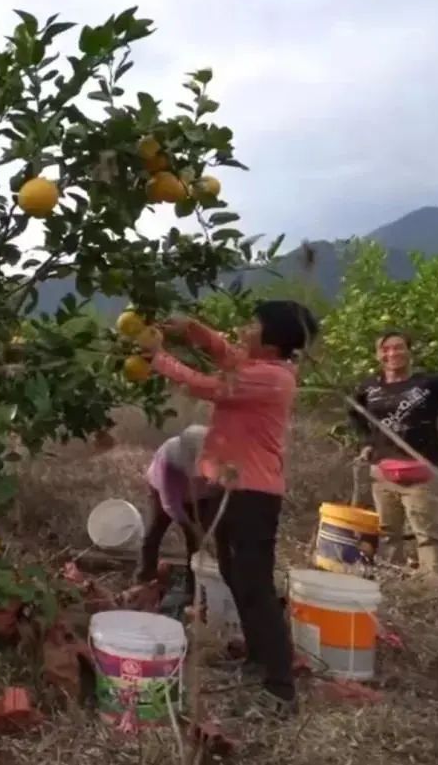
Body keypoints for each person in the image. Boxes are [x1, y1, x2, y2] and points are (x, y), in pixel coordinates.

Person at [140, 300, 319, 718]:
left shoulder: (270, 378)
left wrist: (158, 359)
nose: (243, 328)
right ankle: (258, 657)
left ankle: (280, 688)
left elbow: (208, 386)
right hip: (229, 488)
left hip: (252, 496)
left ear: (273, 341)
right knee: (234, 574)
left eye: (253, 324)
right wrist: (193, 329)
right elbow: (225, 352)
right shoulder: (261, 366)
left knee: (254, 586)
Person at [349, 331, 438, 575]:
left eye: (398, 348)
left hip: (422, 470)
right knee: (387, 532)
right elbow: (354, 411)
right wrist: (368, 441)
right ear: (378, 355)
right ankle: (392, 583)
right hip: (383, 471)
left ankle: (431, 589)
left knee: (427, 535)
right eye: (386, 349)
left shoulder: (430, 383)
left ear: (409, 351)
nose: (392, 354)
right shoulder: (369, 386)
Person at [137, 424, 214, 597]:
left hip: (200, 496)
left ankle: (194, 589)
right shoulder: (168, 459)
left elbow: (219, 486)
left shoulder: (216, 455)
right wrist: (189, 525)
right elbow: (170, 503)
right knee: (154, 532)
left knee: (197, 542)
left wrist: (202, 528)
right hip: (164, 494)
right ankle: (145, 579)